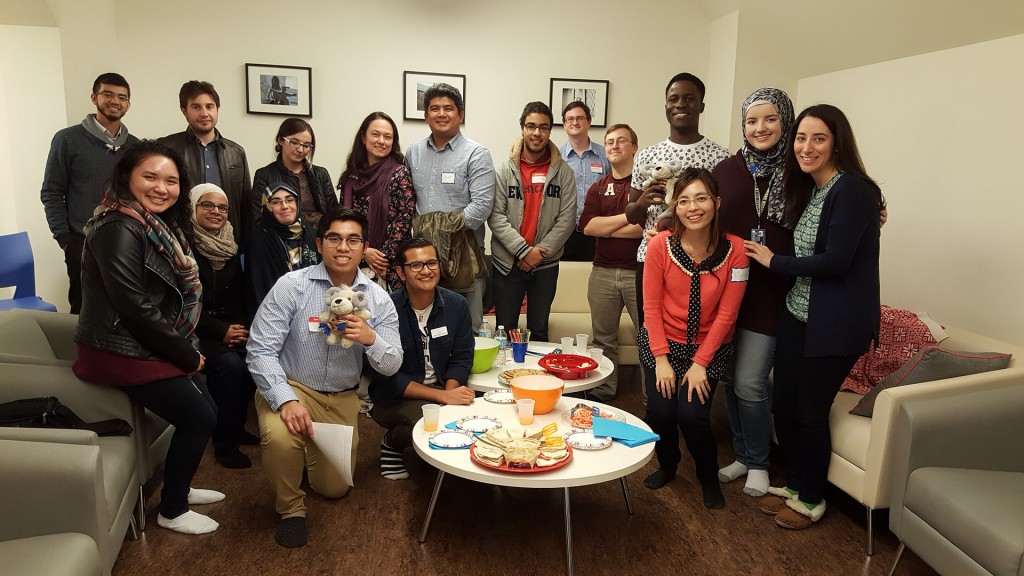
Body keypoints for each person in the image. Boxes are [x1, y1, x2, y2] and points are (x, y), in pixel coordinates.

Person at [72, 140, 222, 535]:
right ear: (127, 177)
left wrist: (182, 349)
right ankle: (171, 509)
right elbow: (134, 306)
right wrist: (187, 355)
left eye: (171, 181)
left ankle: (181, 488)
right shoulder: (118, 226)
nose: (161, 188)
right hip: (119, 348)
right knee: (199, 416)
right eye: (150, 177)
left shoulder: (153, 225)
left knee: (206, 406)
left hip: (143, 341)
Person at [744, 104, 882, 530]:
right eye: (801, 138)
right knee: (783, 406)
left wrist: (773, 262)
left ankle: (811, 499)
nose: (807, 147)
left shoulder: (853, 189)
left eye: (818, 138)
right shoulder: (814, 189)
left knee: (808, 412)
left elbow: (836, 260)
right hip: (798, 314)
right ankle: (797, 483)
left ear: (837, 142)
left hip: (835, 324)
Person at [247, 208, 402, 548]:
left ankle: (302, 457)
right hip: (295, 387)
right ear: (319, 243)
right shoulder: (291, 286)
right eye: (334, 238)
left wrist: (371, 339)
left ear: (364, 247)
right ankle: (290, 510)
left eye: (353, 240)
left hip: (343, 398)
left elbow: (392, 365)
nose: (343, 247)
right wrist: (285, 399)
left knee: (335, 489)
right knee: (280, 437)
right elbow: (259, 350)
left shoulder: (378, 299)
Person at [640, 168, 749, 511]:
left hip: (708, 349)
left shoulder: (736, 251)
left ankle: (707, 476)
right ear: (675, 207)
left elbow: (728, 315)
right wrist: (661, 359)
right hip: (663, 344)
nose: (693, 207)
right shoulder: (660, 246)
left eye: (701, 198)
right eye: (684, 200)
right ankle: (668, 464)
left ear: (716, 203)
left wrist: (701, 363)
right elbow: (651, 307)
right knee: (659, 412)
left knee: (691, 416)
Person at [711, 88, 796, 498]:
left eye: (770, 119)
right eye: (751, 121)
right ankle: (743, 455)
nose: (760, 128)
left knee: (750, 381)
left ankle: (760, 461)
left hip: (774, 292)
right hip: (728, 289)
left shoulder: (801, 168)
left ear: (785, 121)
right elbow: (702, 214)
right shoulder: (726, 170)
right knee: (729, 378)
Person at [624, 73, 731, 331]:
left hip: (702, 261)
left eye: (689, 98)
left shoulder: (721, 157)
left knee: (695, 334)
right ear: (665, 106)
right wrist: (642, 204)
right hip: (651, 257)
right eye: (673, 99)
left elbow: (724, 212)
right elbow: (630, 214)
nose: (680, 104)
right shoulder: (648, 155)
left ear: (701, 106)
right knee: (650, 336)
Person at [369, 237, 475, 480]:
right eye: (416, 265)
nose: (426, 271)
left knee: (470, 421)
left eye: (431, 263)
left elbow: (462, 356)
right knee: (432, 424)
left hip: (442, 388)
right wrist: (442, 398)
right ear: (401, 272)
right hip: (393, 398)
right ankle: (392, 441)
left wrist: (451, 397)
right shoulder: (386, 308)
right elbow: (386, 377)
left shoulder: (456, 305)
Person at [41, 72, 140, 313]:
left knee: (123, 310)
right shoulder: (68, 139)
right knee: (83, 312)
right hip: (81, 243)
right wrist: (65, 240)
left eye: (122, 97)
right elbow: (52, 191)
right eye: (108, 94)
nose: (115, 101)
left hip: (124, 243)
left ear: (129, 104)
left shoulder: (135, 146)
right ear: (94, 97)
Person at [406, 83, 494, 333]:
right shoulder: (413, 152)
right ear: (426, 116)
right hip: (423, 259)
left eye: (448, 108)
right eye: (434, 108)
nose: (441, 114)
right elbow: (408, 202)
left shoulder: (476, 154)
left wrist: (437, 234)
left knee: (469, 329)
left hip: (465, 257)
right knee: (425, 325)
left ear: (461, 115)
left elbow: (481, 208)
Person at [488, 102, 576, 342]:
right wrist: (523, 251)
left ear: (550, 131)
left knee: (538, 330)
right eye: (531, 126)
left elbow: (567, 219)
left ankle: (538, 380)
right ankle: (507, 378)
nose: (537, 133)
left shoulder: (564, 172)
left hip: (545, 265)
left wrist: (538, 253)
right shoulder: (504, 170)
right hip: (508, 263)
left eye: (543, 127)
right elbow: (496, 216)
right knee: (505, 331)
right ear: (522, 128)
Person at [190, 183, 259, 469]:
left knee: (253, 358)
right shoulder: (183, 246)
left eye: (222, 207)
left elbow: (241, 294)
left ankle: (235, 427)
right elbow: (178, 304)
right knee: (230, 366)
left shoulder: (232, 245)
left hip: (230, 324)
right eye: (207, 205)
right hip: (194, 328)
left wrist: (240, 327)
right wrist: (220, 331)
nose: (216, 212)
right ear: (193, 208)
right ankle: (223, 442)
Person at [579, 124, 643, 402]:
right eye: (609, 143)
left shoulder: (645, 188)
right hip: (602, 273)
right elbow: (588, 226)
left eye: (621, 141)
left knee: (648, 339)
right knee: (604, 340)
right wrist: (630, 219)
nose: (615, 146)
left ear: (634, 147)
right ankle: (604, 391)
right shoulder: (597, 188)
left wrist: (607, 227)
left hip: (638, 273)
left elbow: (645, 227)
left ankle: (651, 399)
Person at [159, 80, 253, 244]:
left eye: (209, 106)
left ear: (217, 109)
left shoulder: (236, 152)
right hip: (181, 239)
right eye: (196, 107)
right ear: (184, 111)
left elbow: (245, 205)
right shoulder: (166, 148)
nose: (204, 113)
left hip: (227, 243)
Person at [338, 111, 416, 291]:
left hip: (390, 266)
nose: (381, 141)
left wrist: (380, 258)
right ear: (363, 137)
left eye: (387, 137)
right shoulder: (351, 178)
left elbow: (403, 221)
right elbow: (345, 221)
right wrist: (364, 252)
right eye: (376, 134)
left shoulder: (400, 174)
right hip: (354, 259)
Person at [244, 182, 320, 320]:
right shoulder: (258, 239)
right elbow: (257, 287)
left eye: (289, 200)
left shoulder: (312, 234)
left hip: (313, 311)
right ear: (268, 207)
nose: (285, 206)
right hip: (275, 314)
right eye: (276, 202)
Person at [252, 118, 339, 230]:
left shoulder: (320, 174)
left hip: (320, 236)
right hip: (281, 237)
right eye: (294, 142)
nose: (300, 150)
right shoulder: (264, 175)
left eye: (306, 145)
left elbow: (334, 213)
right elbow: (258, 217)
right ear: (280, 140)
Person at [559, 101, 610, 262]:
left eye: (580, 118)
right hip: (562, 234)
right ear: (564, 124)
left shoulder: (605, 155)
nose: (575, 122)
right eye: (570, 119)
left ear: (588, 121)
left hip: (596, 234)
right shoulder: (555, 157)